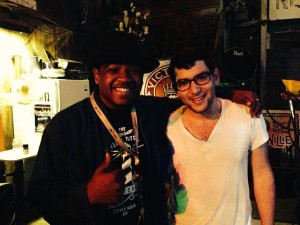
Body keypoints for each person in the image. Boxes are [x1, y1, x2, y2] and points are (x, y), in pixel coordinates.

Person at [26, 30, 262, 225]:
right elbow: (40, 196)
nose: (125, 77)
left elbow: (190, 95)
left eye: (133, 70)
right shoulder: (65, 127)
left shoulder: (150, 111)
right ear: (97, 75)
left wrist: (231, 93)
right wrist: (86, 195)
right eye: (113, 70)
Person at [166, 46, 275, 225]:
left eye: (201, 77)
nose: (194, 90)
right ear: (177, 89)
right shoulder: (167, 126)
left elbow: (262, 173)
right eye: (184, 83)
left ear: (215, 77)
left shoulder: (248, 115)